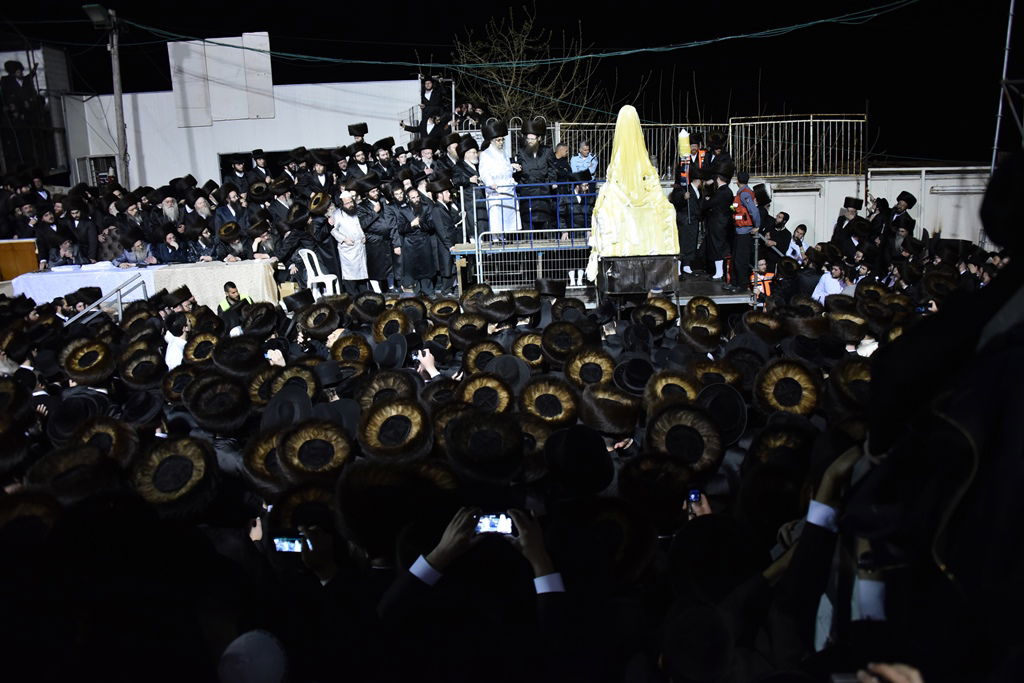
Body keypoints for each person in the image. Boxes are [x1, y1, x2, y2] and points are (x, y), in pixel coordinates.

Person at [478, 120, 522, 237]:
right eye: (498, 140)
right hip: (496, 192)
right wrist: (490, 183)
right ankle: (497, 241)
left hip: (509, 190)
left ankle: (508, 239)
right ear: (492, 141)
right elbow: (484, 172)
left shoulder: (504, 153)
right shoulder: (486, 154)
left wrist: (512, 167)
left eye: (502, 139)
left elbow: (504, 168)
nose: (501, 142)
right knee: (497, 221)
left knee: (510, 222)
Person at [515, 118, 557, 231]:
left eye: (532, 139)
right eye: (528, 139)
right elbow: (518, 169)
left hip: (543, 191)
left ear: (539, 138)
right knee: (528, 222)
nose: (530, 141)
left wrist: (553, 182)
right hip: (527, 191)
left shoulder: (547, 151)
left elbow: (552, 168)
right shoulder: (522, 152)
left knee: (544, 222)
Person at [700, 160, 735, 283]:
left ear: (718, 179)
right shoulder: (727, 191)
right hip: (723, 222)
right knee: (718, 247)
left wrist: (706, 198)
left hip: (717, 223)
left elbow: (707, 205)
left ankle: (719, 272)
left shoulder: (721, 192)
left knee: (716, 248)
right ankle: (719, 272)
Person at [329, 191, 368, 296]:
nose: (350, 205)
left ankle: (364, 298)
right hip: (348, 250)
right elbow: (333, 231)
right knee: (351, 277)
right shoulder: (337, 214)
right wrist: (344, 239)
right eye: (347, 203)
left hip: (360, 247)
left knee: (362, 276)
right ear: (342, 204)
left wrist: (364, 236)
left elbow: (360, 226)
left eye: (351, 202)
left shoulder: (357, 211)